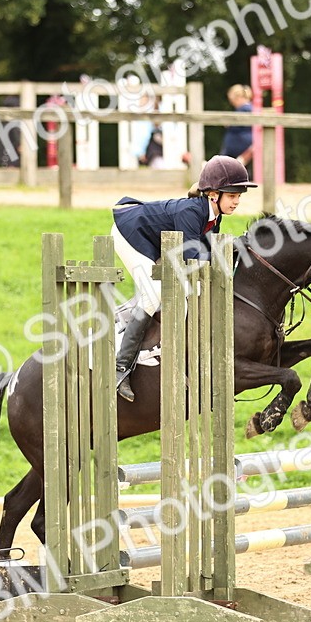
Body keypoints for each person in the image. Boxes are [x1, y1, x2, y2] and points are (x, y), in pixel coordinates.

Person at [110, 155, 256, 401]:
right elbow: (193, 260)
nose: (237, 201)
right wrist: (229, 247)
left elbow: (208, 254)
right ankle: (120, 368)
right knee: (153, 294)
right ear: (213, 194)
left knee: (182, 291)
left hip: (154, 239)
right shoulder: (191, 212)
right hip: (129, 233)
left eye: (239, 196)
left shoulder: (213, 216)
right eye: (232, 196)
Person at [219, 84, 254, 175]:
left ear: (238, 97)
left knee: (223, 167)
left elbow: (235, 124)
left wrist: (228, 123)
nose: (232, 103)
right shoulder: (249, 108)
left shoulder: (244, 110)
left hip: (239, 145)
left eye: (232, 100)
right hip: (244, 144)